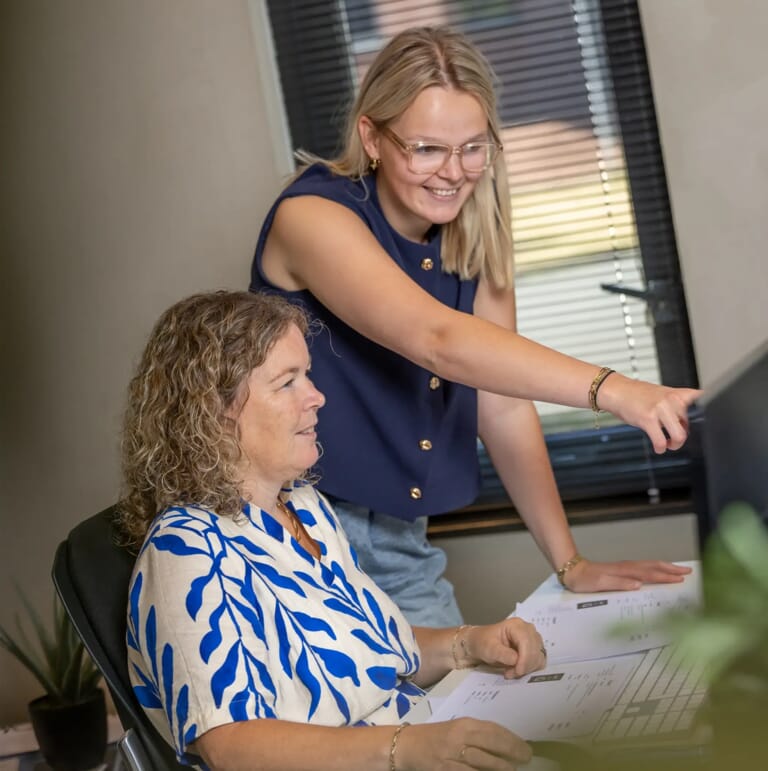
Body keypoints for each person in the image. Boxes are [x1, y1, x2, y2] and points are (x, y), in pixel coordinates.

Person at [249, 25, 697, 626]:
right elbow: (438, 341)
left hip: (398, 537)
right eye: (426, 148)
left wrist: (569, 564)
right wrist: (614, 390)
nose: (454, 172)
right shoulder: (312, 217)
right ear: (372, 137)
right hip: (294, 527)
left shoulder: (474, 226)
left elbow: (502, 404)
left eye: (472, 147)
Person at [119, 290, 546, 770]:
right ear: (213, 412)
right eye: (287, 382)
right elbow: (229, 744)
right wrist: (406, 749)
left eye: (308, 375)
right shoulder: (185, 549)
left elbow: (375, 652)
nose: (316, 396)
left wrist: (468, 644)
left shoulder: (305, 505)